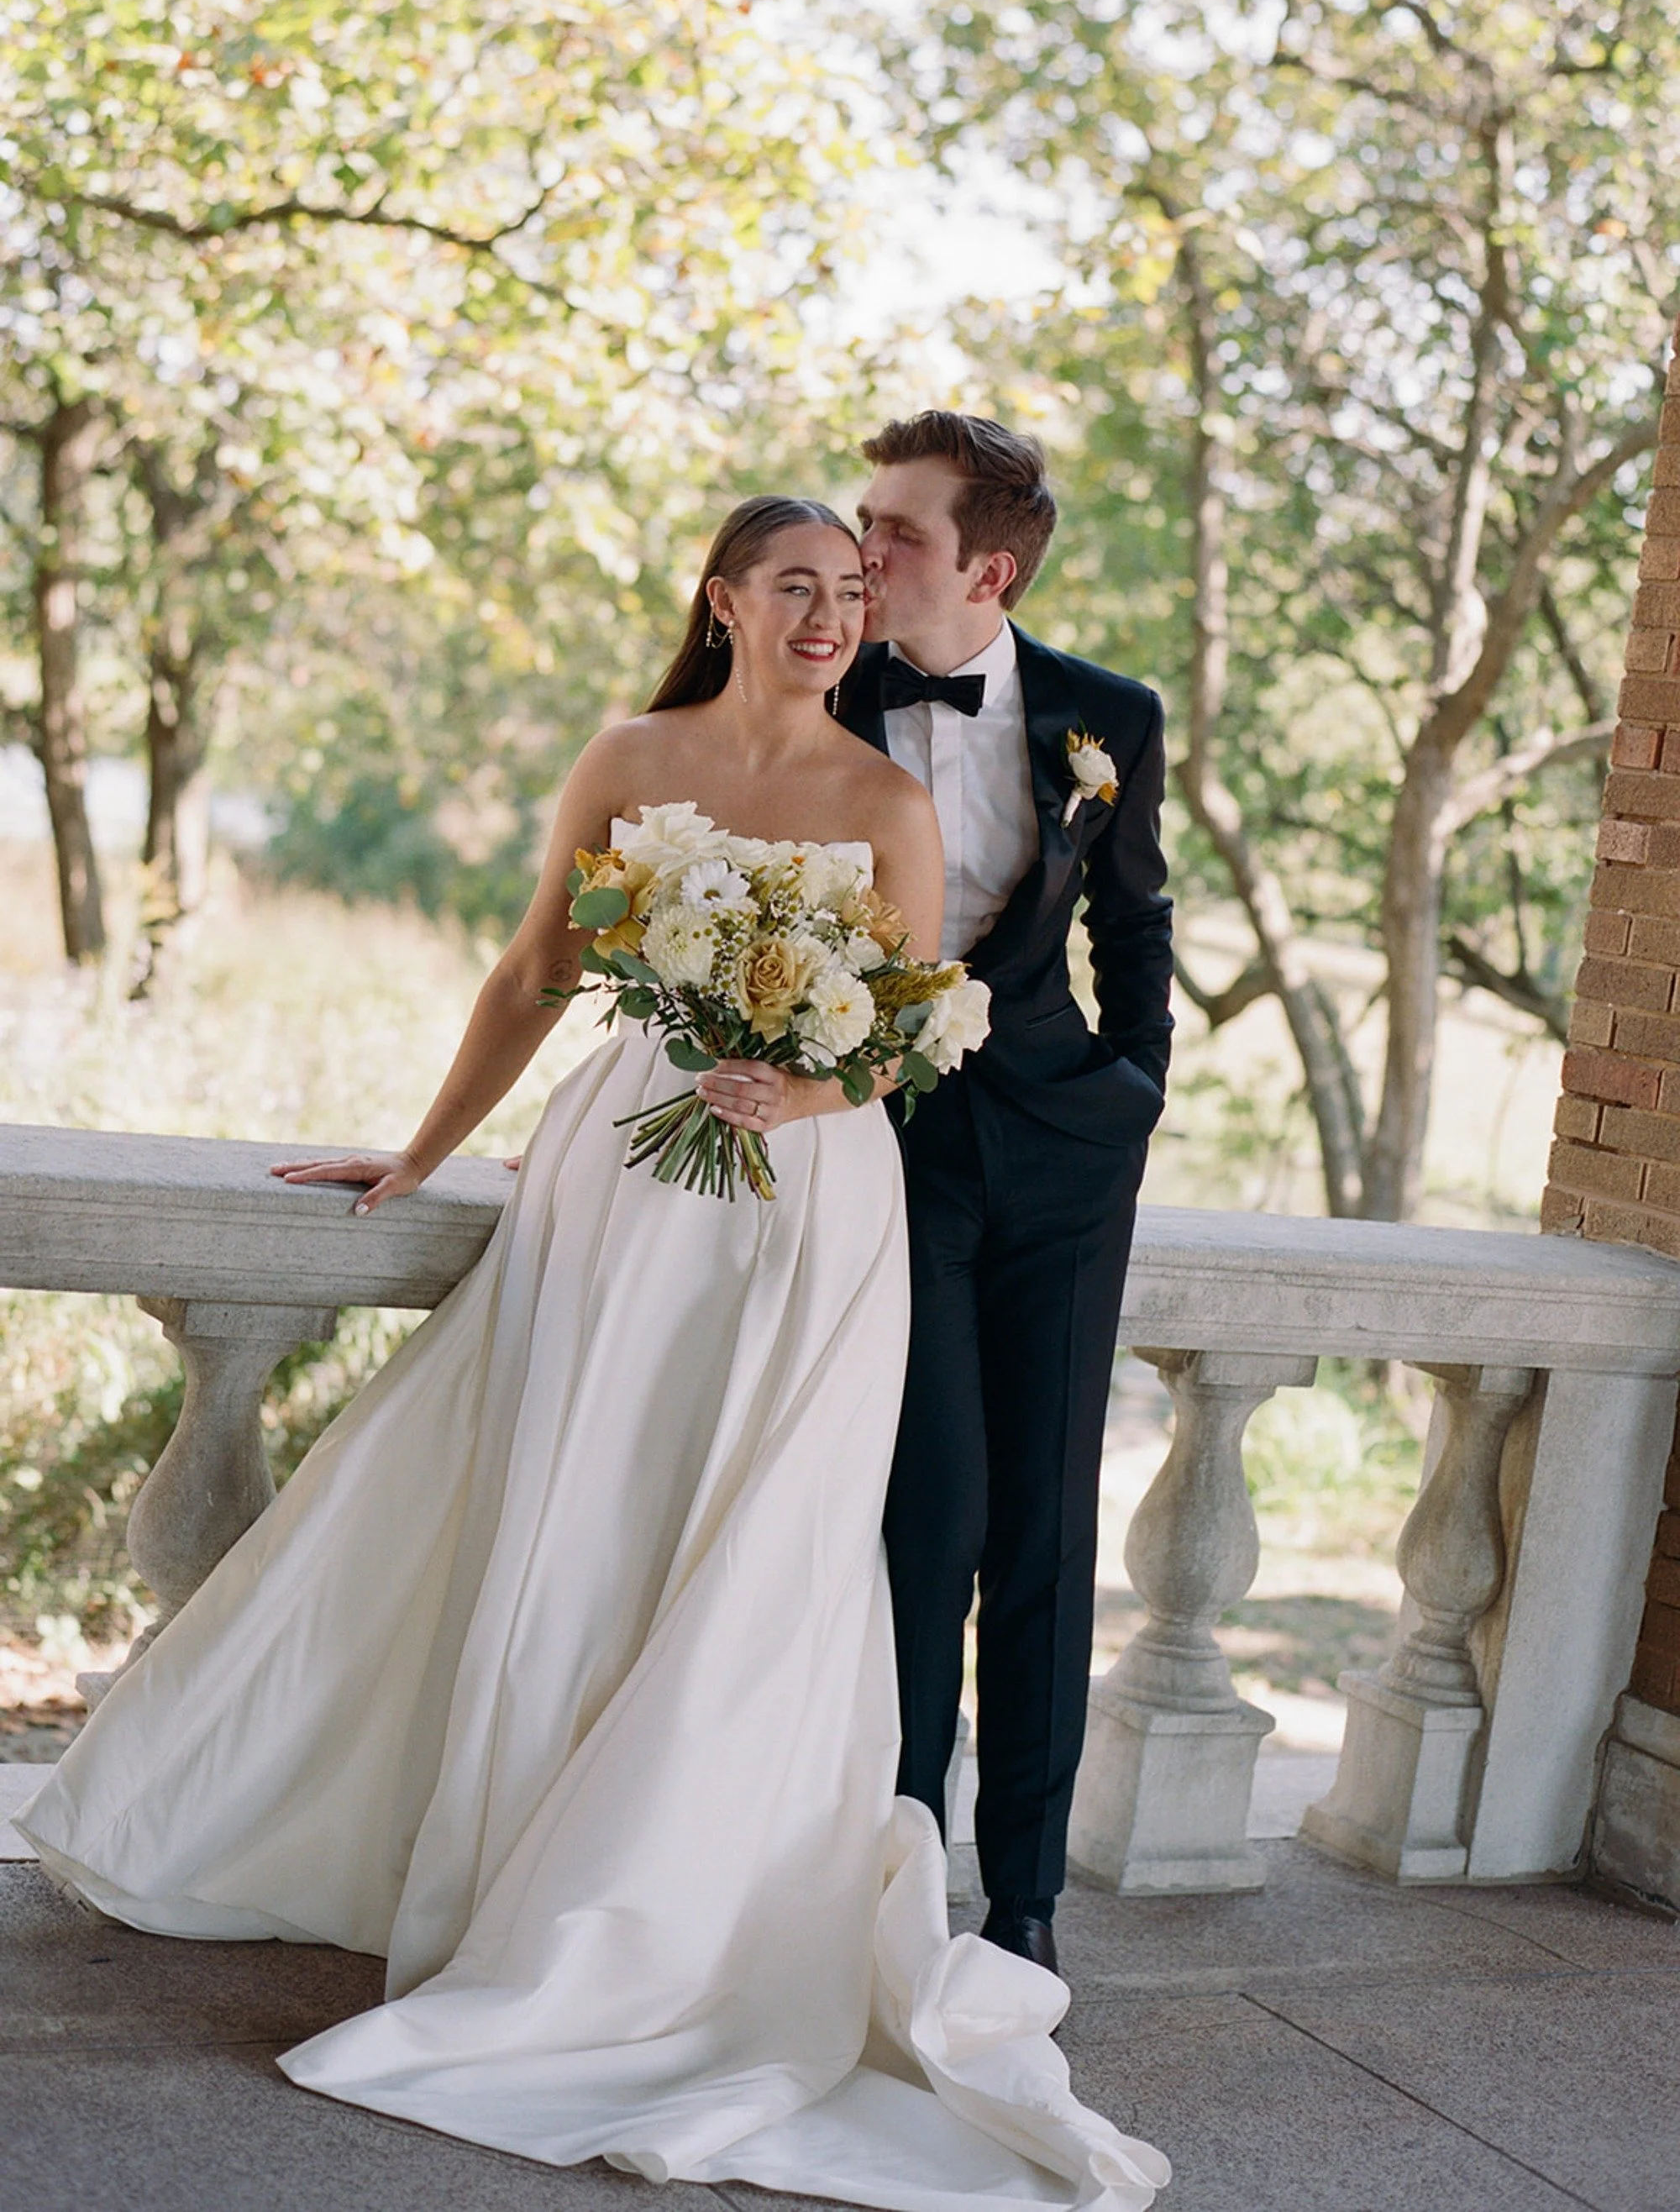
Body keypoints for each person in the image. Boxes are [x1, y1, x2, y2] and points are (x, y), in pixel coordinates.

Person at [17, 496, 1168, 2212]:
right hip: (625, 1170)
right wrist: (417, 1152)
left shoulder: (889, 795)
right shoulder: (629, 749)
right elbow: (536, 967)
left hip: (807, 1200)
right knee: (585, 1502)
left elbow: (920, 1018)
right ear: (721, 596)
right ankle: (515, 1869)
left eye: (852, 591)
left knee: (759, 1538)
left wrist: (812, 1078)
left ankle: (671, 1912)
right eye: (797, 584)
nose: (829, 614)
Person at [842, 413, 1173, 1978]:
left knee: (1045, 1525)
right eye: (859, 524)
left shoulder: (1109, 716)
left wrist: (1136, 1097)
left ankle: (1027, 1904)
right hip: (875, 1149)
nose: (862, 558)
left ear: (987, 566)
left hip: (1060, 1153)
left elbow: (1137, 917)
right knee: (926, 1515)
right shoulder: (808, 689)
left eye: (896, 534)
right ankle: (900, 1859)